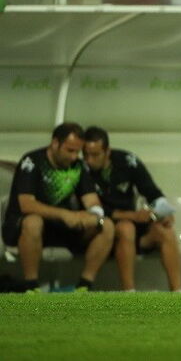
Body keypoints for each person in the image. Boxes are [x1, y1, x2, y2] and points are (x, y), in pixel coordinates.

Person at [1, 123, 115, 292]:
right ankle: (31, 287)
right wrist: (64, 214)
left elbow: (92, 201)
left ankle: (83, 287)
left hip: (62, 229)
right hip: (22, 227)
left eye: (78, 151)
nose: (75, 156)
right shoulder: (32, 162)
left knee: (106, 226)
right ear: (55, 144)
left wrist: (93, 215)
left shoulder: (78, 166)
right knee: (33, 222)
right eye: (70, 150)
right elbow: (26, 204)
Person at [82, 126, 181, 292]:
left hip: (134, 225)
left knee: (166, 231)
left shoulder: (127, 162)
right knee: (125, 227)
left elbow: (151, 191)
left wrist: (164, 212)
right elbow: (92, 209)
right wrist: (132, 215)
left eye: (94, 155)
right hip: (103, 231)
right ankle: (129, 292)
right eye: (85, 155)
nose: (88, 160)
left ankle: (178, 293)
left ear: (107, 152)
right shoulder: (81, 170)